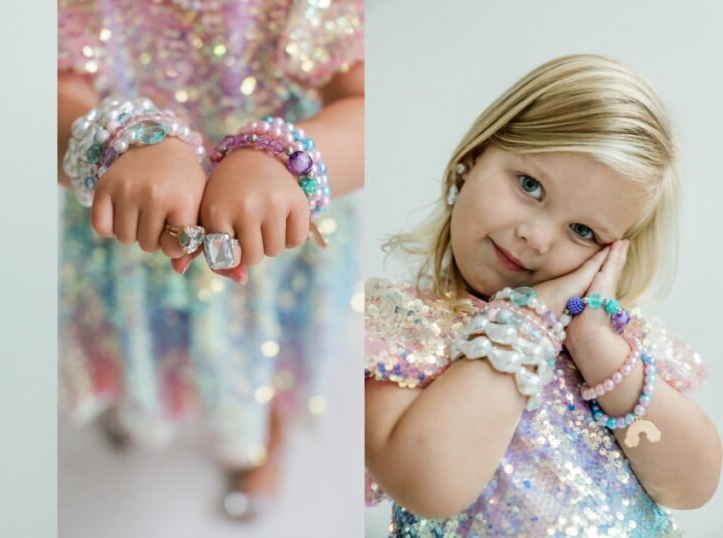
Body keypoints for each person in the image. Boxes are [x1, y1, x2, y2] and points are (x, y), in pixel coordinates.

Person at [364, 54, 721, 535]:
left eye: (582, 230)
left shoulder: (614, 344)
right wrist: (528, 320)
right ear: (474, 156)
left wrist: (597, 347)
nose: (536, 237)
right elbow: (431, 483)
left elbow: (692, 484)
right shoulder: (403, 324)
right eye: (530, 186)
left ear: (612, 253)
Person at [58, 0, 364, 519]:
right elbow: (61, 92)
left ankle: (263, 442)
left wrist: (282, 159)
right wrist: (124, 140)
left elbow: (361, 106)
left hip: (272, 247)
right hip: (133, 239)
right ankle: (141, 394)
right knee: (137, 340)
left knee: (263, 358)